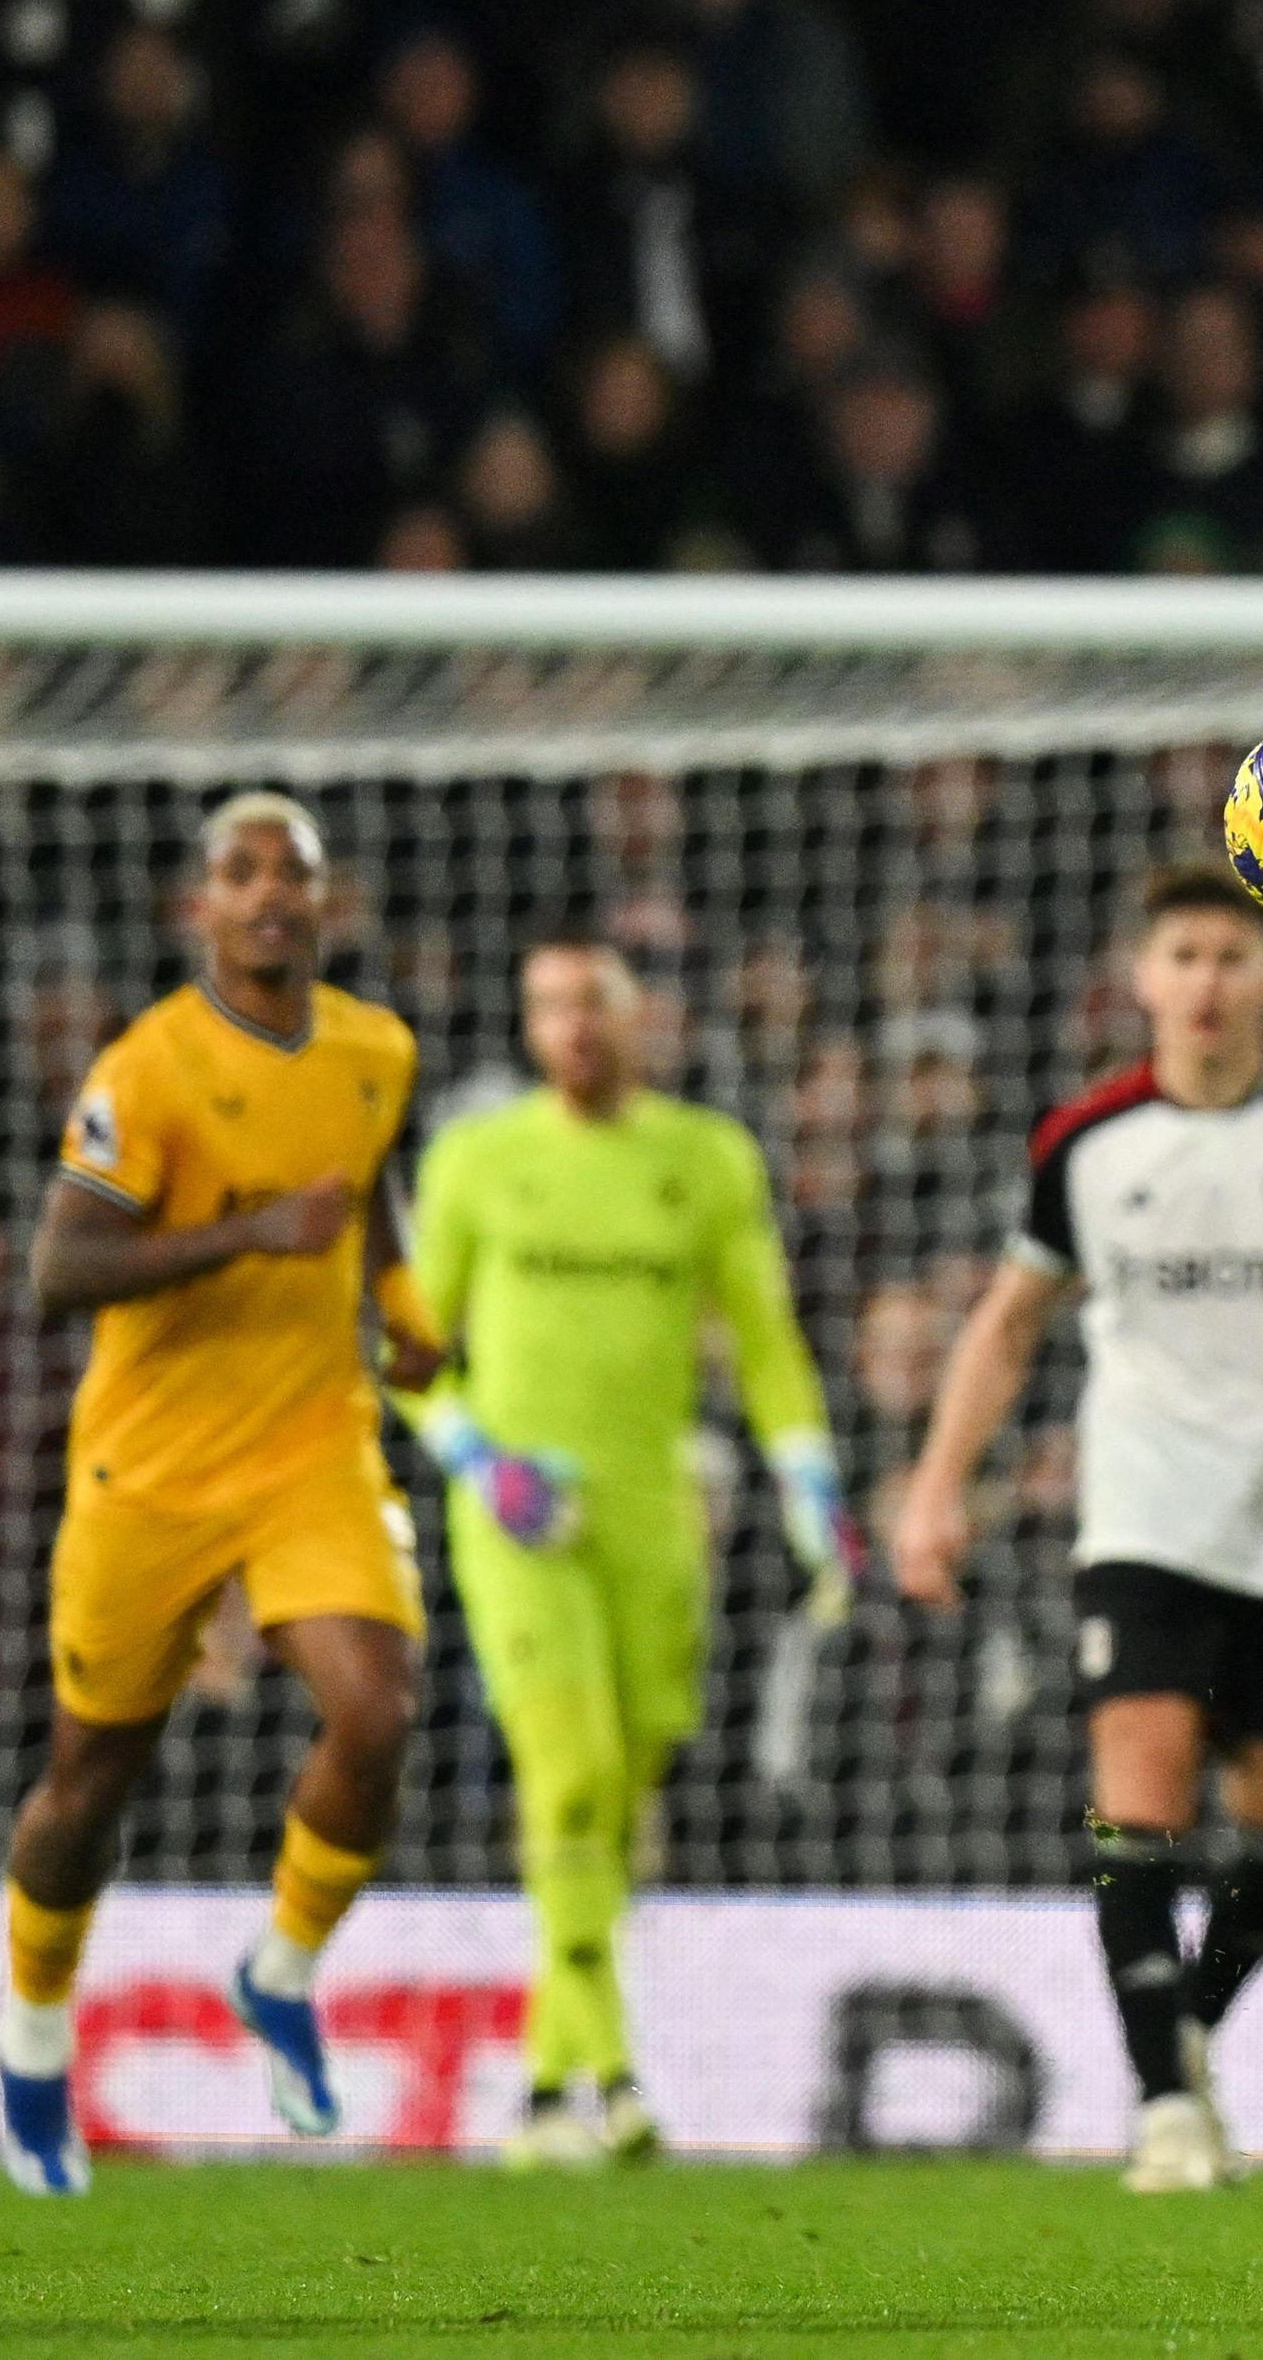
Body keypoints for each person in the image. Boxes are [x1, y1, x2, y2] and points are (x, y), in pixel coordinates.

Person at [892, 866, 1263, 2192]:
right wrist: (933, 1486)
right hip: (1139, 1512)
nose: (1203, 982)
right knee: (1142, 1787)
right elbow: (1009, 1323)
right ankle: (1162, 2112)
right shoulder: (1088, 1142)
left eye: (1228, 957)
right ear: (1141, 979)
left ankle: (1180, 2029)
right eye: (1180, 955)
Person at [0, 795, 443, 2195]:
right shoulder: (150, 1070)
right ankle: (31, 2034)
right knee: (91, 1780)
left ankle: (282, 1970)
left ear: (326, 902)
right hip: (156, 1468)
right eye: (240, 874)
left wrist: (405, 1306)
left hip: (314, 1443)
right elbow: (59, 1272)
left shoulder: (378, 1049)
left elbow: (370, 1201)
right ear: (196, 905)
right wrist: (250, 1232)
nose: (268, 896)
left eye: (291, 874)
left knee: (377, 1708)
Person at [399, 926, 850, 2168]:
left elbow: (763, 1339)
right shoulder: (477, 1159)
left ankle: (553, 2084)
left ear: (638, 1016)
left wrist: (805, 1465)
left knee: (628, 1787)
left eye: (592, 1001)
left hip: (658, 1517)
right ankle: (613, 2074)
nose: (572, 1026)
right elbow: (408, 1351)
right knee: (572, 1769)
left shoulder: (704, 1160)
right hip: (522, 1514)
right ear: (528, 1025)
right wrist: (475, 1458)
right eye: (547, 1005)